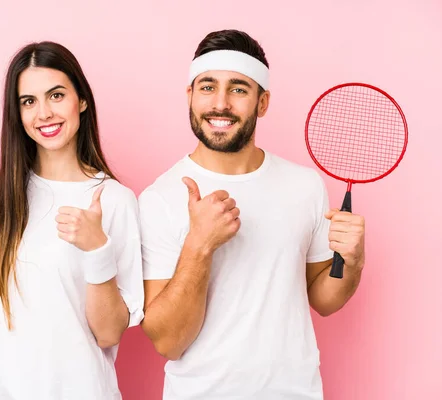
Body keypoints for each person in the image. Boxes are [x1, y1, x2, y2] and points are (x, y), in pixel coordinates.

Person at [139, 29, 366, 399]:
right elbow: (168, 342)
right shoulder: (159, 198)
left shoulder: (305, 185)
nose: (221, 103)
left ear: (262, 103)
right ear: (190, 96)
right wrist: (199, 244)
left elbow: (324, 300)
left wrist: (353, 260)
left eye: (239, 89)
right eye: (208, 87)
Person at [0, 41, 144, 399]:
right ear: (17, 114)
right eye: (28, 101)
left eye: (56, 95)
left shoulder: (114, 200)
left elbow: (109, 333)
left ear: (81, 100)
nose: (44, 113)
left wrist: (97, 249)